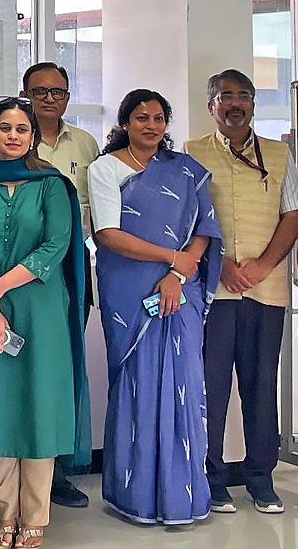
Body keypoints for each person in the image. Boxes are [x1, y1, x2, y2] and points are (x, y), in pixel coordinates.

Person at [0, 97, 90, 549]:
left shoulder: (52, 185)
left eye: (22, 129)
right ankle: (5, 515)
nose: (13, 136)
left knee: (39, 406)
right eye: (5, 128)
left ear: (33, 136)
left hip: (42, 309)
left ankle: (35, 518)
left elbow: (56, 245)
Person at [88, 90, 222, 526]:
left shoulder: (187, 172)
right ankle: (137, 494)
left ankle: (183, 494)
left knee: (184, 384)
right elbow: (108, 234)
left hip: (179, 291)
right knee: (139, 386)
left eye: (159, 118)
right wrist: (169, 258)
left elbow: (204, 228)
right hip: (129, 295)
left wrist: (179, 274)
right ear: (125, 122)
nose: (151, 125)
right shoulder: (106, 169)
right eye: (141, 117)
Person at [184, 68, 298, 516]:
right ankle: (212, 479)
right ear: (210, 104)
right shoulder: (191, 153)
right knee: (211, 389)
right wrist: (225, 266)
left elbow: (293, 214)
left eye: (243, 96)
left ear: (254, 104)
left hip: (266, 291)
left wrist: (263, 265)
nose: (234, 103)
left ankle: (261, 480)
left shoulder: (278, 154)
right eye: (224, 96)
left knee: (260, 386)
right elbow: (187, 217)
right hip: (213, 292)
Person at [25, 61, 99, 512]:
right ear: (26, 94)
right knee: (24, 370)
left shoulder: (85, 143)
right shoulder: (10, 137)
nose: (50, 98)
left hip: (72, 266)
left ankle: (61, 472)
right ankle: (20, 469)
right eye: (40, 91)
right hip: (17, 276)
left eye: (58, 91)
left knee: (66, 367)